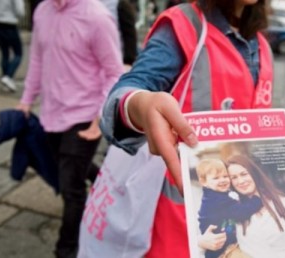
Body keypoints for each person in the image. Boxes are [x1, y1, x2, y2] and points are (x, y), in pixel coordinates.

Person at [99, 0, 273, 256]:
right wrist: (140, 105)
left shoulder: (261, 45)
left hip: (241, 228)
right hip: (174, 222)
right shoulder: (182, 25)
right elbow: (131, 88)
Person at [16, 0, 124, 257]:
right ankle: (106, 187)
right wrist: (26, 100)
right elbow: (37, 60)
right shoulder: (42, 10)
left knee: (71, 189)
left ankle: (65, 250)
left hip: (84, 116)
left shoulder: (97, 17)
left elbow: (113, 72)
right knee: (73, 168)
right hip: (51, 114)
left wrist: (100, 118)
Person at [221, 154, 285, 258]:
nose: (240, 181)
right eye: (234, 178)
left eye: (244, 174)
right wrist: (203, 242)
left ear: (254, 173)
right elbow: (219, 237)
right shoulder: (234, 211)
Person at [196, 158, 262, 258]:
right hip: (222, 251)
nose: (222, 180)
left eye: (225, 176)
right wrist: (257, 199)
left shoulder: (216, 194)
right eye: (216, 178)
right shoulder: (215, 200)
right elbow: (241, 212)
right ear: (204, 182)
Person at [0, 0, 25, 92]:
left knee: (5, 53)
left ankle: (5, 80)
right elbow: (20, 11)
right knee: (18, 53)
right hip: (9, 23)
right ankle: (8, 76)